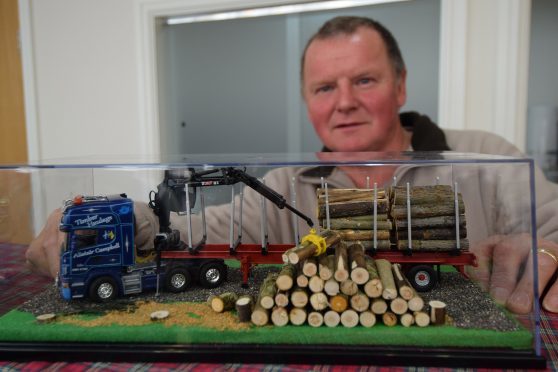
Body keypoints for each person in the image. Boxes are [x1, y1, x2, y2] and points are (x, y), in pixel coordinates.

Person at [26, 16, 558, 315]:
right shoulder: (280, 184)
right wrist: (109, 218)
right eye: (324, 87)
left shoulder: (490, 156)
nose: (343, 101)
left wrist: (547, 250)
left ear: (400, 85)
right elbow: (187, 231)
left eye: (364, 80)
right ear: (308, 102)